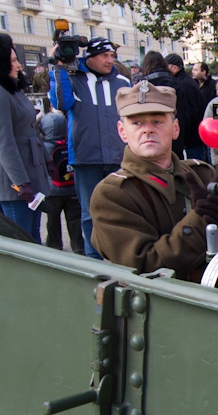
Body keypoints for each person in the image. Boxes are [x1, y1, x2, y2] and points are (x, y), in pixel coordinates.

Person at [90, 82, 218, 280]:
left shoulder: (202, 174)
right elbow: (143, 267)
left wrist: (217, 224)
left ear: (175, 129)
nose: (148, 130)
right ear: (122, 131)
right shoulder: (113, 194)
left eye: (157, 122)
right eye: (137, 123)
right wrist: (199, 223)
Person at [49, 36, 131, 259]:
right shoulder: (74, 79)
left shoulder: (122, 82)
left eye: (112, 56)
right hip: (86, 158)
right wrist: (58, 67)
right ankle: (94, 257)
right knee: (89, 213)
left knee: (120, 210)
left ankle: (119, 255)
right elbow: (61, 103)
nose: (109, 60)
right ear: (90, 58)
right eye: (104, 56)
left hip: (118, 157)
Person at [0, 34, 50, 242]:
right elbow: (5, 142)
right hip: (14, 185)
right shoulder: (2, 93)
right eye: (12, 60)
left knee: (34, 235)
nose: (19, 65)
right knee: (22, 241)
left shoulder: (13, 90)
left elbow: (30, 130)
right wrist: (21, 183)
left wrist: (47, 158)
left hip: (30, 174)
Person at [40, 110, 83, 253]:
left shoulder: (43, 147)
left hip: (52, 190)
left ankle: (54, 244)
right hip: (72, 188)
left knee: (52, 219)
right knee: (74, 219)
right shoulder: (71, 143)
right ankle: (78, 246)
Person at [142, 52, 190, 158]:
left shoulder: (143, 86)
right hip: (175, 133)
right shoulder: (176, 83)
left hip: (152, 136)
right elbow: (184, 111)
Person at [165, 53, 205, 161]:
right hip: (194, 136)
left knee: (195, 169)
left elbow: (192, 111)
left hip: (192, 138)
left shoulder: (183, 84)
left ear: (174, 68)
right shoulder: (186, 81)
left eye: (166, 67)